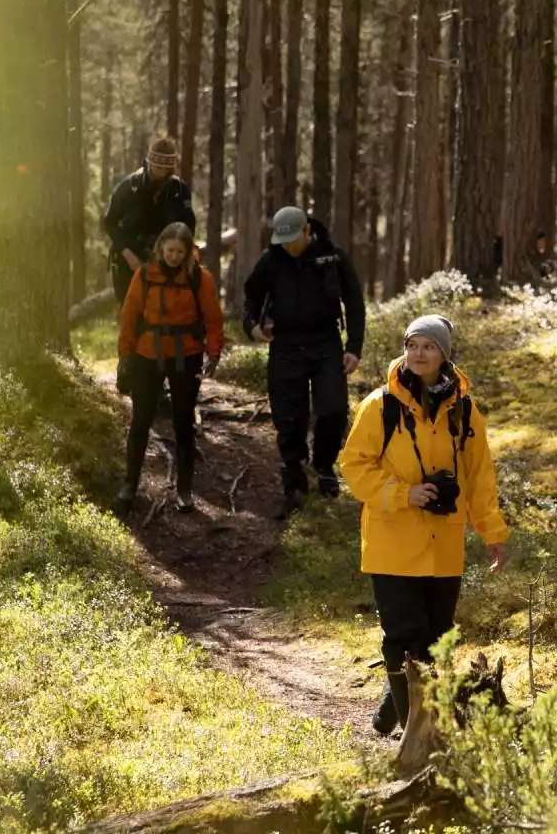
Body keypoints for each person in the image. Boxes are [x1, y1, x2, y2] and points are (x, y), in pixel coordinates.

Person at [336, 315, 509, 737]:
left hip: (444, 543)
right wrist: (402, 494)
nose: (418, 353)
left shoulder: (465, 410)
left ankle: (390, 713)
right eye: (412, 344)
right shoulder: (380, 405)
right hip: (390, 540)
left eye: (428, 346)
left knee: (435, 640)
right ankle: (419, 732)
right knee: (402, 637)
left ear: (444, 355)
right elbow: (353, 465)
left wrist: (493, 532)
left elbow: (479, 475)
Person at [242, 205, 365, 517]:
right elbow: (251, 297)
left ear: (308, 231)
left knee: (333, 409)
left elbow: (354, 301)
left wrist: (354, 346)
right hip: (284, 344)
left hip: (326, 342)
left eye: (294, 240)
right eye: (284, 241)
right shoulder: (271, 261)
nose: (289, 246)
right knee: (288, 414)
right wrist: (252, 326)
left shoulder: (332, 257)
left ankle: (324, 465)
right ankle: (294, 477)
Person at [116, 222, 225, 513]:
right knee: (140, 420)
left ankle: (185, 489)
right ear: (161, 247)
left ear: (189, 251)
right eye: (170, 250)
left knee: (183, 423)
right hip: (146, 354)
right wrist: (125, 355)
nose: (174, 256)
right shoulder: (143, 275)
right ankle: (130, 484)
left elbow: (214, 319)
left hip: (186, 354)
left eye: (180, 251)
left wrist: (213, 354)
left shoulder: (201, 279)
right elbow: (129, 315)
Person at [103, 138, 197, 297]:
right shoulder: (129, 187)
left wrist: (184, 254)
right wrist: (128, 254)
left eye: (166, 168)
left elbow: (188, 225)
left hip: (167, 259)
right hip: (129, 257)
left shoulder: (179, 190)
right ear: (149, 162)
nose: (160, 171)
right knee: (130, 310)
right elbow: (109, 222)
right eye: (157, 166)